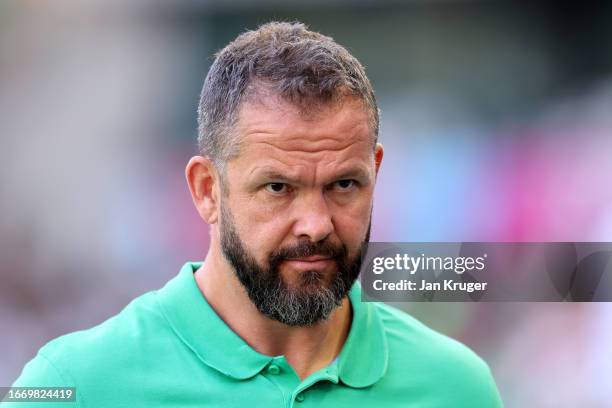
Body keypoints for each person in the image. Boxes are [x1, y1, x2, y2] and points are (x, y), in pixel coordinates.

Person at [4, 21, 503, 407]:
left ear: (376, 172)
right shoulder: (76, 385)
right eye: (278, 187)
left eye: (344, 184)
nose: (316, 224)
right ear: (207, 190)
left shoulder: (454, 386)